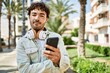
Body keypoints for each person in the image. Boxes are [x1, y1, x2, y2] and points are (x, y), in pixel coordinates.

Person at [16, 2, 70, 73]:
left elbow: (66, 65)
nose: (37, 18)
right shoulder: (21, 42)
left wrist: (59, 59)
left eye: (42, 15)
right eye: (34, 14)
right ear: (29, 16)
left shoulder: (57, 37)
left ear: (46, 19)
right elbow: (24, 70)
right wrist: (54, 64)